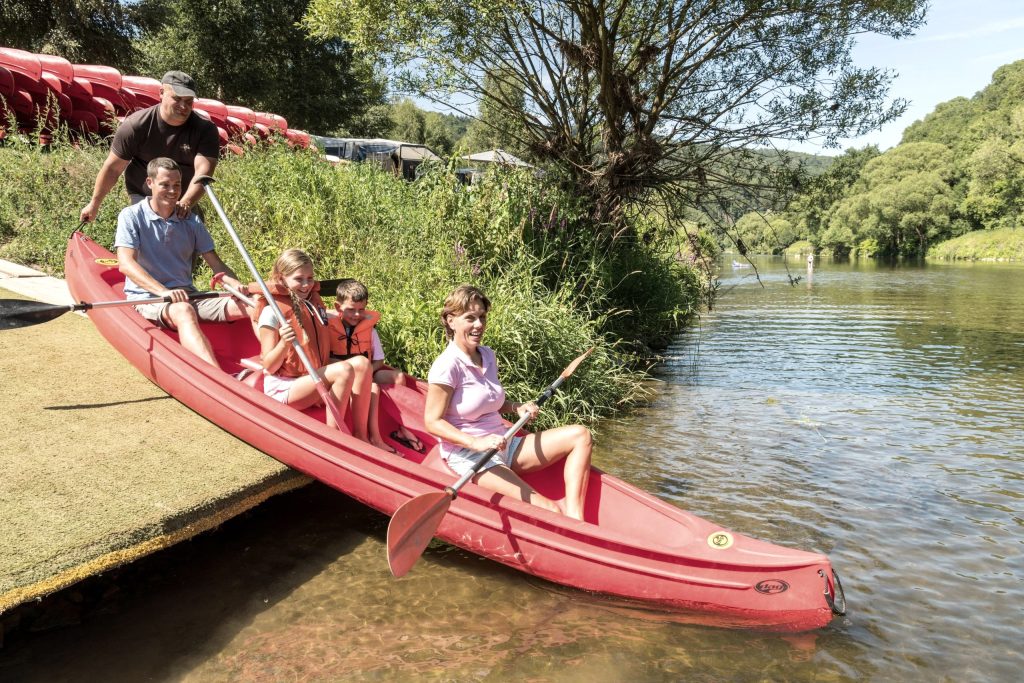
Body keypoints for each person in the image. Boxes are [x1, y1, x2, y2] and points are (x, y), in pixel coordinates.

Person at [423, 285, 593, 520]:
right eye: (470, 318)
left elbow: (489, 400)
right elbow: (432, 422)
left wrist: (516, 407)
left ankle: (576, 519)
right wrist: (476, 442)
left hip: (505, 442)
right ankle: (564, 527)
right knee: (551, 511)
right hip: (472, 456)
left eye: (482, 316)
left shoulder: (487, 355)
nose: (479, 324)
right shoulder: (447, 366)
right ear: (451, 321)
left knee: (581, 435)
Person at [113, 157, 249, 367]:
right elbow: (126, 264)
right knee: (183, 310)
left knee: (254, 306)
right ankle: (216, 379)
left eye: (177, 185)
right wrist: (163, 292)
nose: (172, 191)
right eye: (165, 184)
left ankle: (279, 369)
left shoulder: (190, 220)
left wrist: (236, 286)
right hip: (149, 298)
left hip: (188, 294)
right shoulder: (131, 216)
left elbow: (217, 265)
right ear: (150, 183)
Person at [254, 250, 380, 444]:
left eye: (310, 278)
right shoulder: (272, 311)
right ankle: (333, 439)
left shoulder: (312, 304)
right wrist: (284, 342)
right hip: (286, 386)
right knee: (344, 370)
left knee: (363, 363)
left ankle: (361, 436)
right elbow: (269, 366)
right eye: (299, 279)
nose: (306, 285)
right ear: (281, 278)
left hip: (310, 375)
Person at [80, 70, 219, 223]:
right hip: (143, 196)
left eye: (188, 101)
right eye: (177, 98)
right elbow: (113, 168)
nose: (183, 106)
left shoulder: (205, 129)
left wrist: (185, 203)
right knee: (149, 239)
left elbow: (203, 172)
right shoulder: (136, 125)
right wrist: (94, 204)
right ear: (161, 93)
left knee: (193, 242)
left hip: (184, 198)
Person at [328, 279, 423, 453]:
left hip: (367, 372)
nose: (356, 315)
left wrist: (366, 373)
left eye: (361, 310)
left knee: (398, 376)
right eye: (351, 310)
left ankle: (403, 427)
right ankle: (374, 438)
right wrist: (360, 377)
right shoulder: (329, 327)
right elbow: (324, 360)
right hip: (342, 377)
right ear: (338, 307)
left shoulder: (369, 330)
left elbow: (378, 360)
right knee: (373, 388)